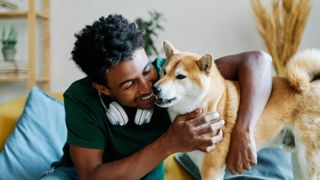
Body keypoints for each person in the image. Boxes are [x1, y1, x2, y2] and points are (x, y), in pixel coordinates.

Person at [41, 14, 276, 179]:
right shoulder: (81, 97)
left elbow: (259, 61)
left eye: (146, 71)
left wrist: (243, 131)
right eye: (129, 84)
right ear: (104, 89)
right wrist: (168, 144)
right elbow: (92, 176)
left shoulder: (170, 74)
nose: (148, 87)